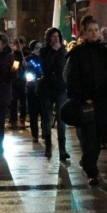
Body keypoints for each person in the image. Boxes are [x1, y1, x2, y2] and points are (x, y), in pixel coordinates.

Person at [65, 15, 107, 186]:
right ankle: (92, 171)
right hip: (86, 102)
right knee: (89, 137)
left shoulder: (106, 51)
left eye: (96, 30)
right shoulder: (77, 53)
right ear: (83, 33)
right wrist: (83, 96)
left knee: (99, 138)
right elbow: (71, 79)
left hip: (102, 101)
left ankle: (89, 161)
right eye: (90, 30)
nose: (94, 33)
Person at [38, 27, 69, 160]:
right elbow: (45, 67)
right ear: (49, 38)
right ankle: (48, 147)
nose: (56, 39)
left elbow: (66, 67)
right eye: (53, 36)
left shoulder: (63, 51)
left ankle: (62, 149)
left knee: (62, 117)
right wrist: (53, 51)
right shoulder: (44, 51)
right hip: (47, 88)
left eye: (58, 36)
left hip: (60, 88)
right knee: (47, 117)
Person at [24, 40, 44, 143]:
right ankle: (35, 134)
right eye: (37, 47)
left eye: (41, 47)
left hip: (44, 89)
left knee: (44, 112)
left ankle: (45, 132)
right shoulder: (27, 59)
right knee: (33, 113)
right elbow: (23, 72)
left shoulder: (45, 57)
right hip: (31, 88)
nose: (39, 50)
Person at [8, 37, 27, 130]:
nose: (19, 47)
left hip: (23, 81)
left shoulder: (25, 55)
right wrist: (14, 68)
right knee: (13, 102)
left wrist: (26, 65)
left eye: (21, 45)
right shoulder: (12, 55)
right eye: (17, 45)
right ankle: (13, 120)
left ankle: (22, 119)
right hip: (14, 82)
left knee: (23, 102)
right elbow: (11, 69)